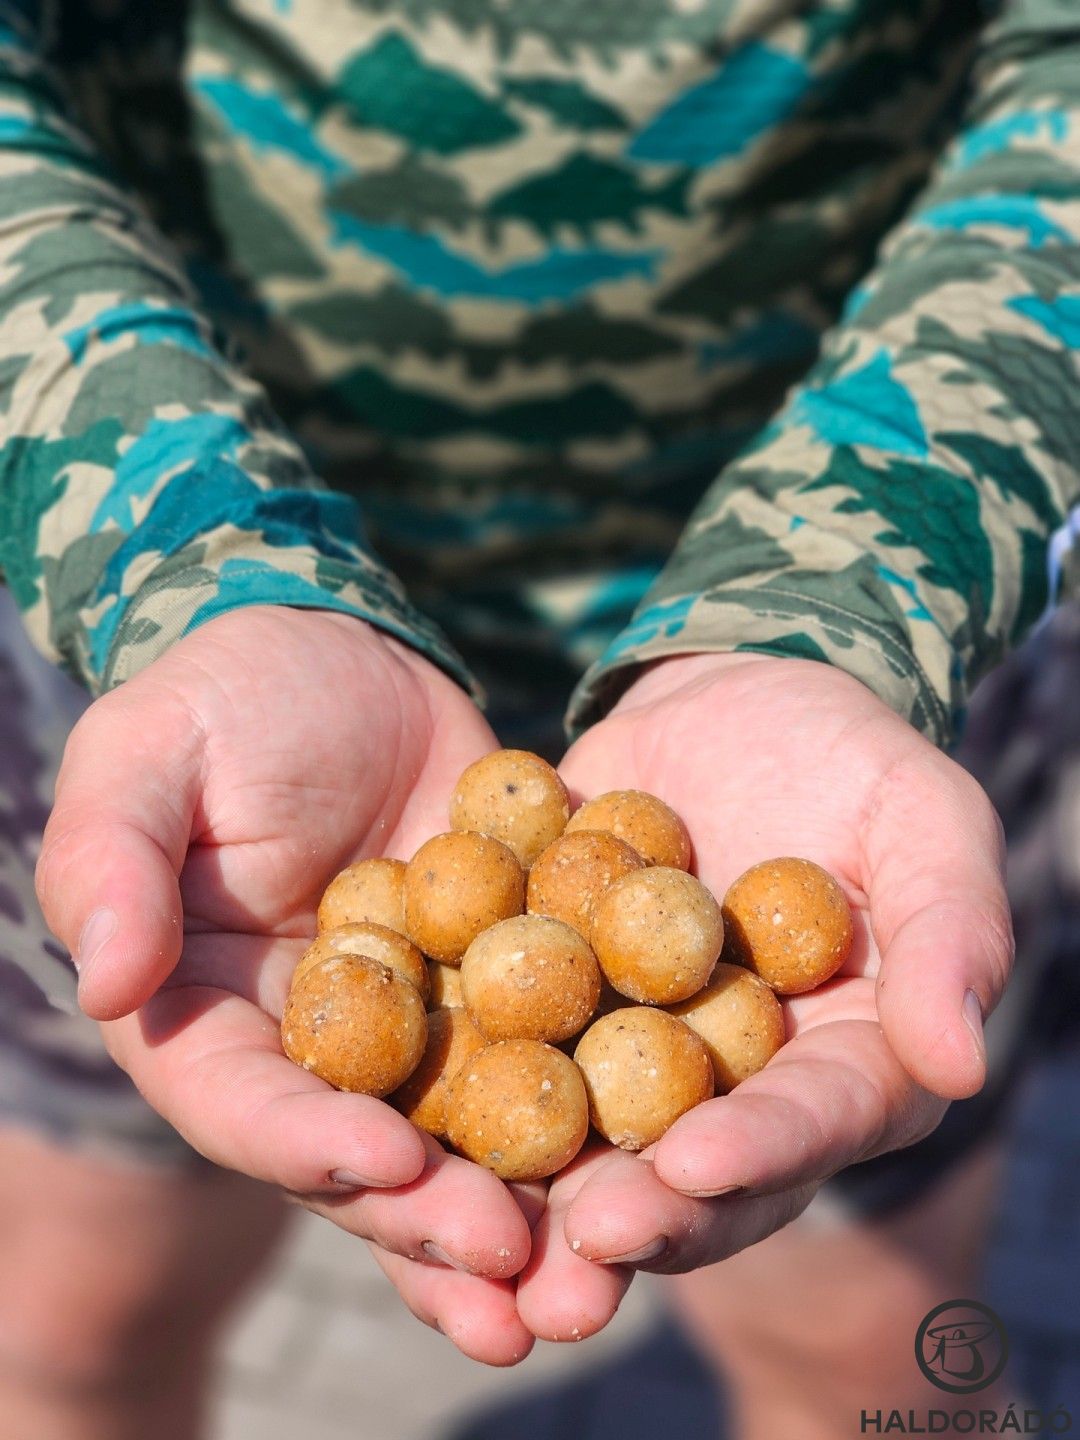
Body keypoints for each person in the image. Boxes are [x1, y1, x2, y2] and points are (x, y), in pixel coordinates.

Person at [0, 0, 1075, 1435]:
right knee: (74, 1317)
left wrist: (840, 589)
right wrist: (192, 550)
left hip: (851, 632)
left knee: (875, 1358)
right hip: (189, 630)